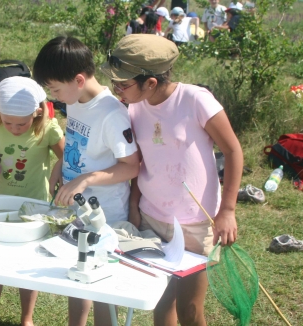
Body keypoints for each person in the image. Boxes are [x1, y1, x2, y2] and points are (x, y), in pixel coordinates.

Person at [101, 34, 243, 326]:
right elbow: (140, 161)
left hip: (196, 223)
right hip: (153, 220)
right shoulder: (133, 106)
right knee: (162, 302)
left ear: (150, 82)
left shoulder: (195, 101)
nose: (117, 90)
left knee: (190, 310)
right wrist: (135, 205)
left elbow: (232, 150)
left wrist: (227, 211)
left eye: (122, 84)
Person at [33, 36, 139, 326]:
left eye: (54, 88)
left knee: (100, 281)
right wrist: (60, 168)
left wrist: (86, 179)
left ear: (79, 79)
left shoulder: (111, 114)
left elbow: (131, 167)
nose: (52, 96)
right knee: (76, 275)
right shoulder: (76, 99)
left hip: (104, 214)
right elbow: (80, 147)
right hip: (75, 209)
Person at [0, 76, 65, 326]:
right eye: (8, 123)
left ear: (36, 113)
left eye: (21, 125)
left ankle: (27, 318)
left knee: (28, 260)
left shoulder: (48, 128)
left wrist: (59, 177)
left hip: (34, 202)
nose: (13, 129)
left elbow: (66, 156)